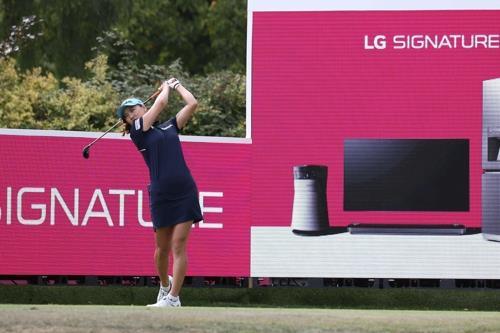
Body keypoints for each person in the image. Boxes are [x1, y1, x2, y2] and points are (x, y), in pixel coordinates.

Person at [116, 78, 203, 307]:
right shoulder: (138, 131)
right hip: (161, 194)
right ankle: (164, 285)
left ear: (144, 107)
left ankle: (173, 298)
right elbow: (162, 103)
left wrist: (176, 85)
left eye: (134, 109)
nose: (132, 115)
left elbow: (192, 103)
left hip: (185, 190)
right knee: (161, 249)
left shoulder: (170, 126)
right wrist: (165, 88)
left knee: (178, 244)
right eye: (127, 114)